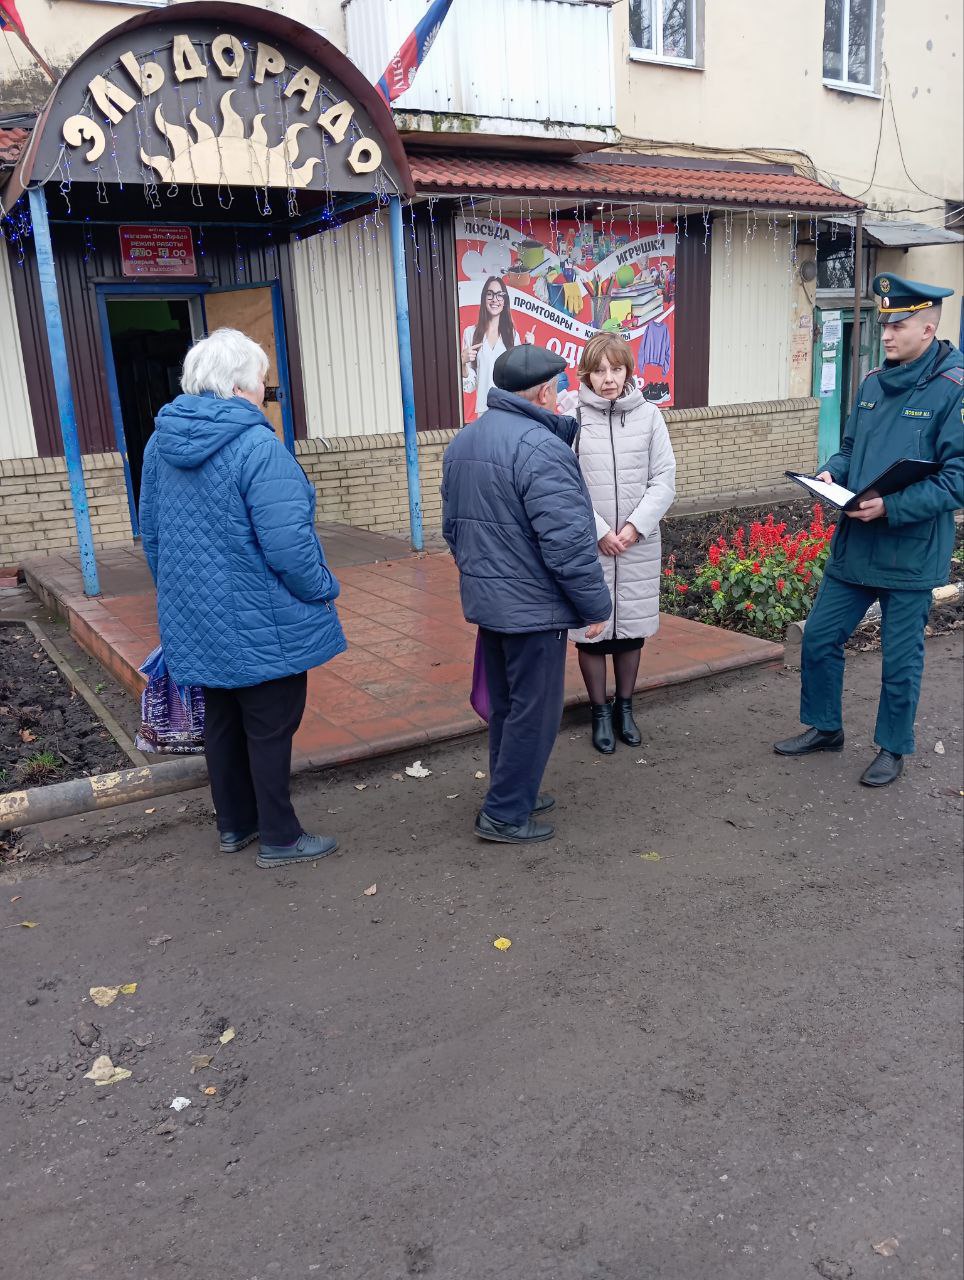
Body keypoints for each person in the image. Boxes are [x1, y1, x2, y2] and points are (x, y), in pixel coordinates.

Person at [138, 328, 346, 866]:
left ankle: (235, 826)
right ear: (238, 386)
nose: (265, 391)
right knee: (271, 727)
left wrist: (180, 594)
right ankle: (280, 837)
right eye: (262, 381)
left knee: (223, 724)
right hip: (263, 618)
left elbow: (153, 533)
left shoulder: (160, 443)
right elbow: (290, 548)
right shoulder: (257, 445)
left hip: (196, 617)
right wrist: (322, 587)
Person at [774, 274, 963, 787]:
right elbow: (852, 447)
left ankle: (892, 748)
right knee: (818, 638)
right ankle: (825, 727)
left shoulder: (953, 391)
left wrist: (891, 506)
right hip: (856, 543)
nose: (886, 333)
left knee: (900, 661)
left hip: (910, 550)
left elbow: (957, 479)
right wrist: (833, 471)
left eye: (897, 325)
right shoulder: (874, 382)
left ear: (927, 329)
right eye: (884, 324)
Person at [442, 344, 612, 845]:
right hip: (532, 608)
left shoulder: (464, 441)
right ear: (543, 391)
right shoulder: (541, 448)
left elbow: (452, 529)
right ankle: (505, 814)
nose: (560, 395)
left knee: (507, 706)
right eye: (557, 386)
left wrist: (480, 576)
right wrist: (595, 606)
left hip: (492, 603)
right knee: (533, 711)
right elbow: (567, 542)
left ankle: (511, 790)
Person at [570, 333, 677, 753]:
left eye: (616, 369)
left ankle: (625, 708)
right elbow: (567, 485)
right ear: (587, 374)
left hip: (637, 544)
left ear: (628, 371)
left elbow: (664, 479)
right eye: (599, 370)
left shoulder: (650, 416)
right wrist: (597, 530)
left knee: (630, 632)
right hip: (590, 545)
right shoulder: (572, 417)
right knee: (591, 633)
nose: (608, 378)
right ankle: (599, 712)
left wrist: (635, 527)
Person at [461, 276, 523, 420]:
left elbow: (519, 379)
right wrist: (462, 362)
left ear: (505, 300)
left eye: (499, 295)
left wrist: (527, 349)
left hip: (509, 411)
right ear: (484, 299)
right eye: (490, 294)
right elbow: (470, 386)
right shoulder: (470, 333)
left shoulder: (512, 335)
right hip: (484, 411)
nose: (495, 299)